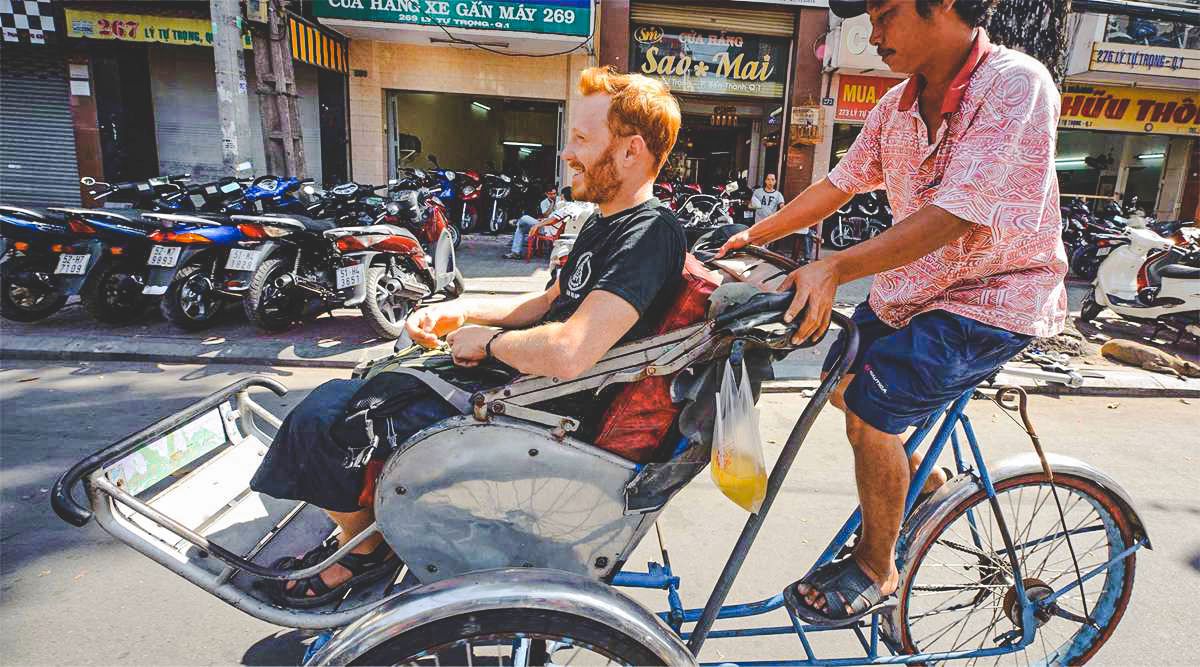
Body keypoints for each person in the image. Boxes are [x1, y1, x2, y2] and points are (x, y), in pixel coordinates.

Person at [250, 66, 686, 607]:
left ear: (630, 151)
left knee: (320, 420)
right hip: (520, 389)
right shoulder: (603, 222)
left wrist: (489, 344)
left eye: (581, 138)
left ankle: (365, 552)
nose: (567, 152)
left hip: (542, 413)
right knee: (359, 386)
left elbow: (571, 351)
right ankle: (370, 529)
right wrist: (458, 312)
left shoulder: (650, 233)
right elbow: (547, 303)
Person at [718, 0, 1066, 626]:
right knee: (841, 387)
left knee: (876, 412)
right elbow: (840, 184)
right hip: (914, 288)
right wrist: (752, 235)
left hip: (993, 295)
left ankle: (877, 568)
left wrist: (833, 268)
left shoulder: (1015, 83)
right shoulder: (896, 106)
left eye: (886, 16)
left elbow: (961, 210)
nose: (873, 36)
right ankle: (927, 491)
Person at [504, 186, 597, 259]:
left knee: (524, 218)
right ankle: (516, 251)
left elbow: (553, 220)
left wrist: (537, 225)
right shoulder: (571, 206)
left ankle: (517, 225)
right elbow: (549, 217)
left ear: (562, 196)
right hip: (547, 225)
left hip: (547, 229)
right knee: (521, 227)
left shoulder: (567, 207)